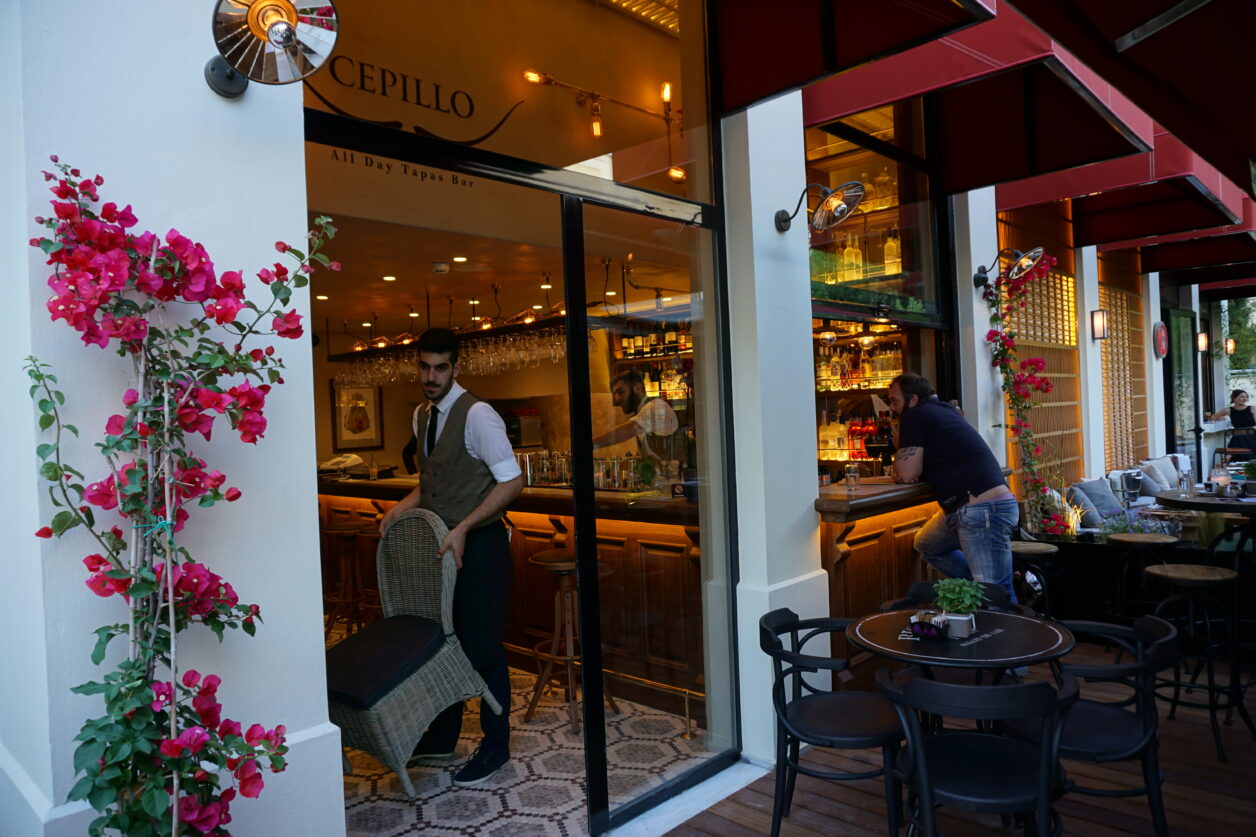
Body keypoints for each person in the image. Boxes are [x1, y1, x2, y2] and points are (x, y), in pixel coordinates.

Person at [379, 328, 523, 787]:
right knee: (442, 643)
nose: (431, 377)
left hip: (480, 545)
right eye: (424, 367)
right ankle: (443, 737)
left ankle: (496, 745)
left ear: (456, 368)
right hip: (442, 549)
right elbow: (432, 483)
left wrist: (464, 528)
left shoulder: (478, 415)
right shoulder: (422, 416)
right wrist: (400, 508)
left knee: (482, 647)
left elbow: (512, 481)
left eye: (440, 368)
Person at [888, 372, 1019, 598]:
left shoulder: (914, 415)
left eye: (894, 401)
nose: (891, 407)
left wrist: (900, 445)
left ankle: (992, 600)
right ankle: (979, 586)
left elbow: (907, 473)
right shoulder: (944, 410)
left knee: (996, 591)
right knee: (928, 544)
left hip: (981, 510)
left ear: (913, 399)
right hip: (974, 506)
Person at [591, 370, 680, 468]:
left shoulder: (657, 406)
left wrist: (591, 444)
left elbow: (632, 429)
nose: (616, 399)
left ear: (638, 388)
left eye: (621, 392)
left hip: (676, 476)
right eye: (615, 394)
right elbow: (653, 460)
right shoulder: (642, 415)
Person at [1209, 389, 1256, 460]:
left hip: (1251, 436)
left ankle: (1228, 458)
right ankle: (1229, 458)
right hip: (1238, 436)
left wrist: (1249, 430)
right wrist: (1222, 418)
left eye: (1246, 397)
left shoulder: (1252, 408)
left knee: (1239, 438)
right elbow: (1213, 417)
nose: (1245, 399)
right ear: (1234, 398)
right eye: (1242, 397)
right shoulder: (1228, 410)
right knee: (1239, 437)